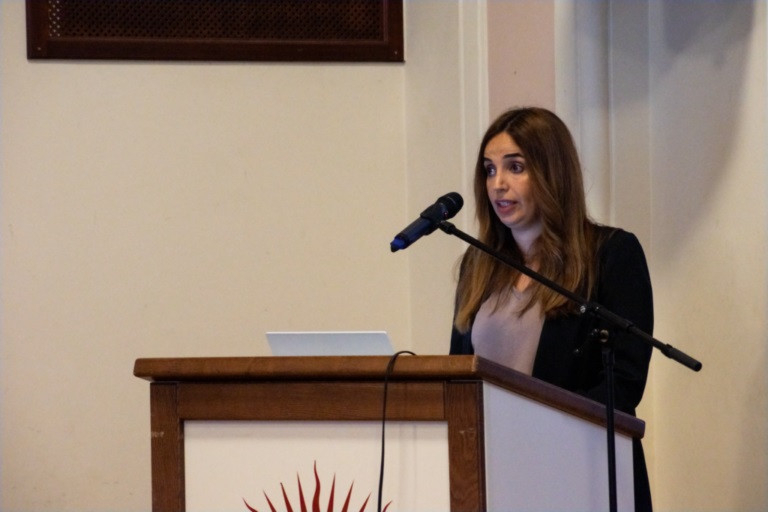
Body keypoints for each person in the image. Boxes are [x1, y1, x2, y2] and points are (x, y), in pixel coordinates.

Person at [449, 106, 654, 511]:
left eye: (515, 167)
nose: (498, 185)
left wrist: (543, 434)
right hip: (491, 468)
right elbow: (458, 374)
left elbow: (623, 383)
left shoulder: (610, 255)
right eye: (489, 170)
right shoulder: (479, 263)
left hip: (577, 469)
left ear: (552, 173)